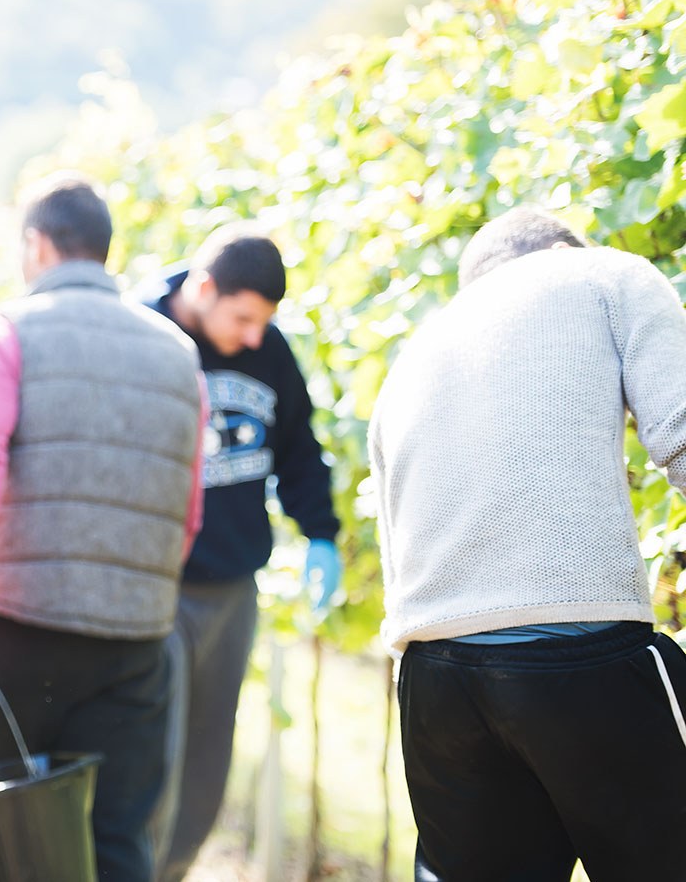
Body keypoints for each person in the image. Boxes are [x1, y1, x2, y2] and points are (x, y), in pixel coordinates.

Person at [369, 207, 686, 880]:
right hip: (580, 657)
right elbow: (682, 431)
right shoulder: (607, 275)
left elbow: (395, 551)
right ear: (565, 248)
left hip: (434, 680)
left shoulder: (416, 350)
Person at [0, 172, 207, 881]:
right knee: (118, 837)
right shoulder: (179, 353)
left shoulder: (9, 331)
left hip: (19, 629)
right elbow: (189, 507)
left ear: (38, 245)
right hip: (136, 639)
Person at [141, 223, 342, 880]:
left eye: (264, 322)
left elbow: (299, 448)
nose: (254, 336)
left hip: (231, 589)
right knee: (147, 753)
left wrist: (322, 533)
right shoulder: (140, 335)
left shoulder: (269, 350)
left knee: (207, 756)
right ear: (203, 289)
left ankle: (171, 873)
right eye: (244, 318)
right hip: (152, 586)